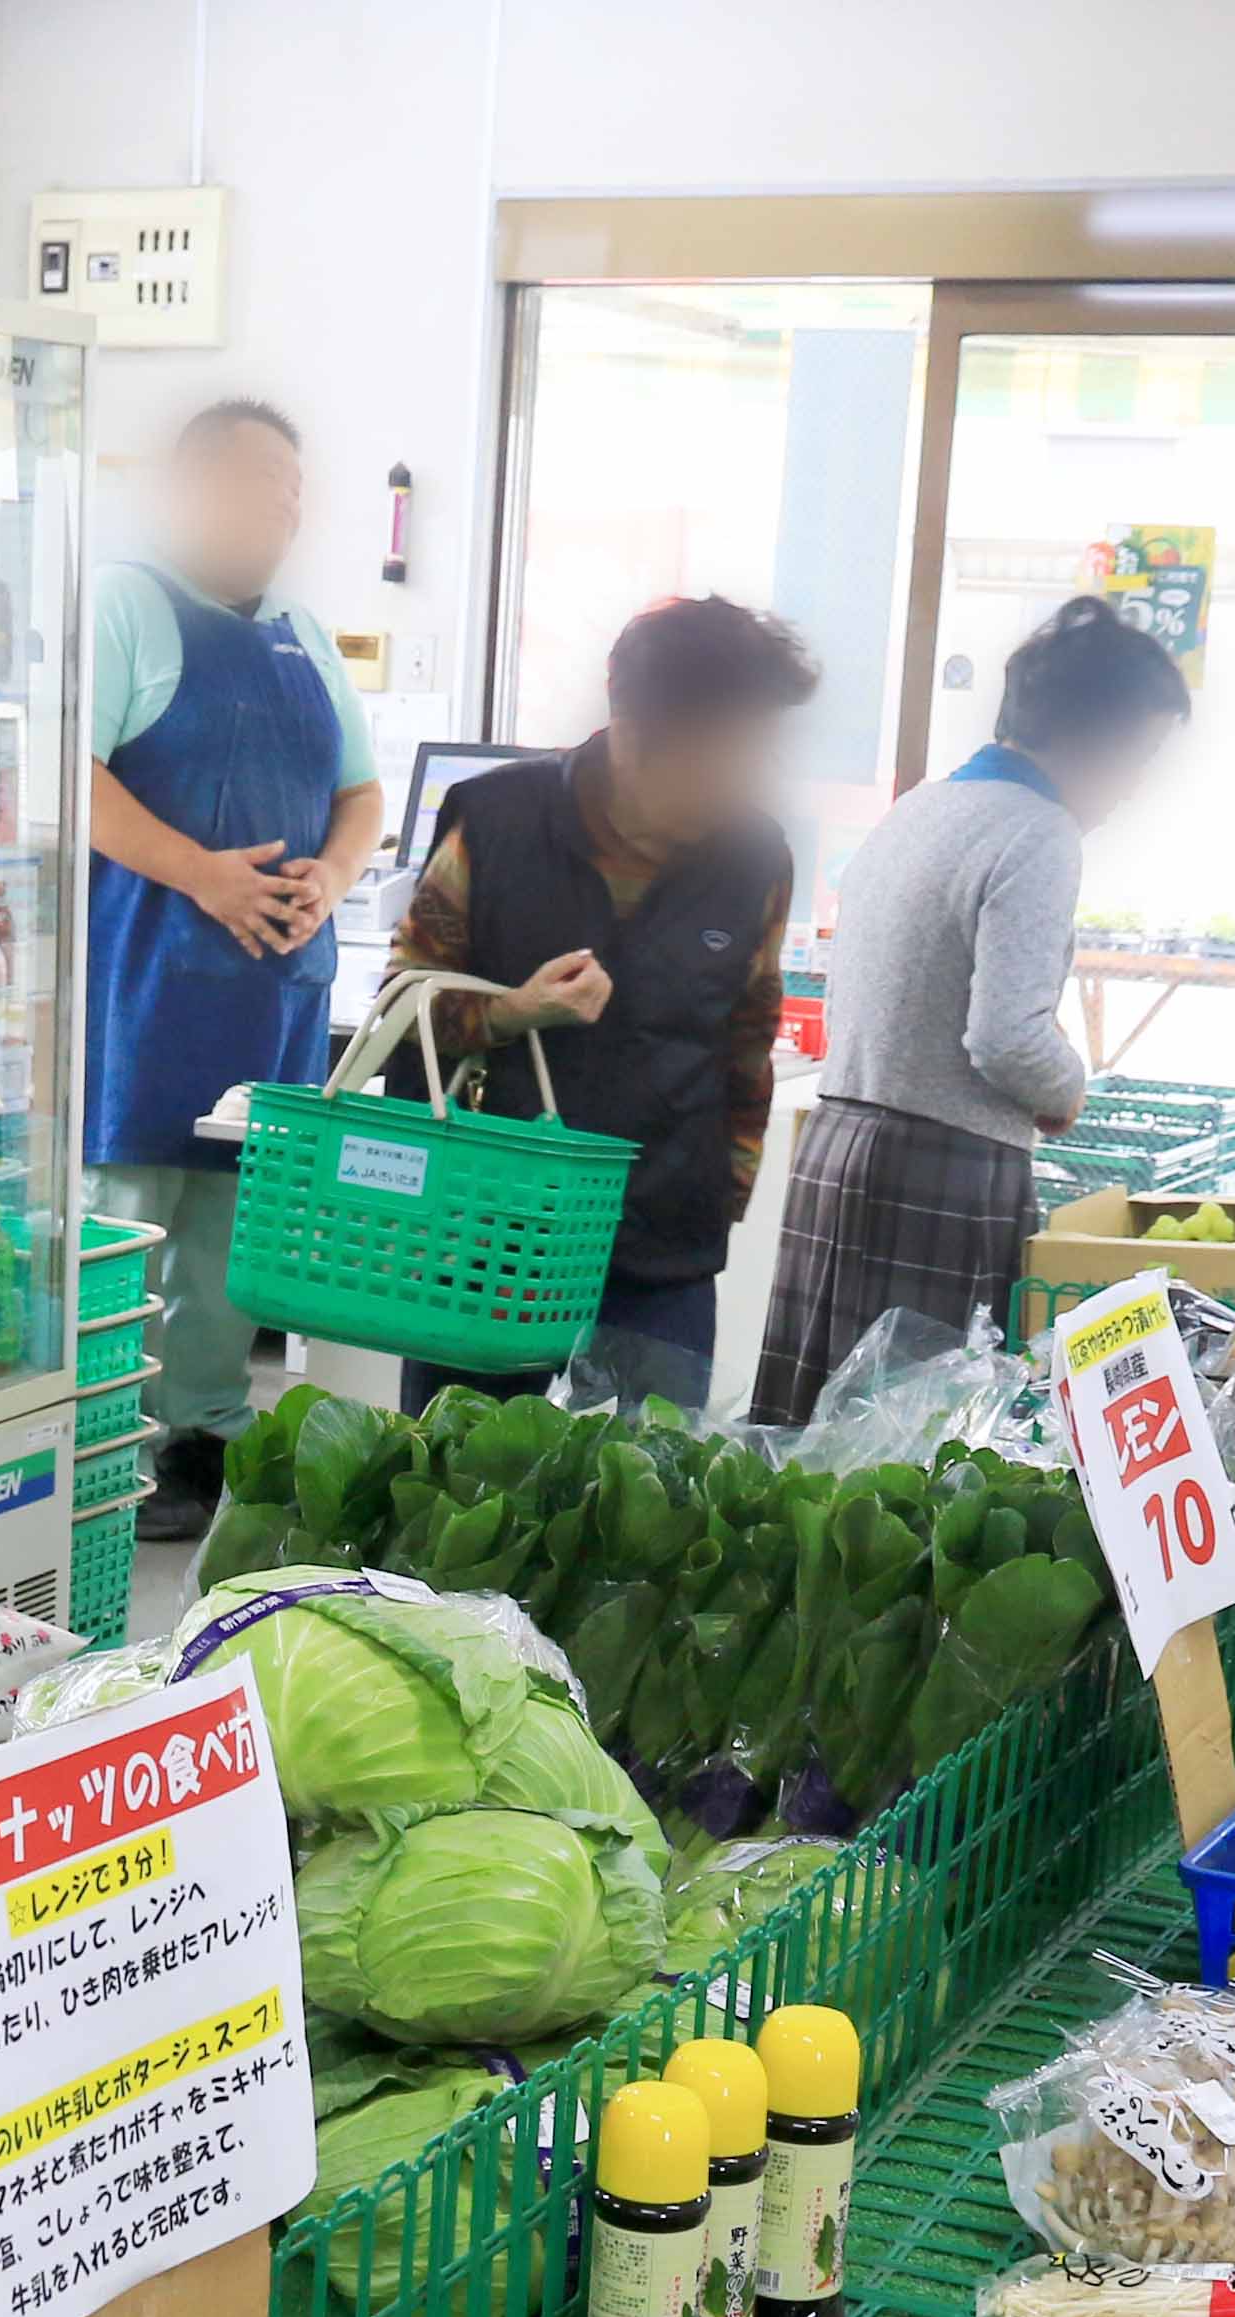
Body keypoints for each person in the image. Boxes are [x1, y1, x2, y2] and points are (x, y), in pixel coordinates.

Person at [749, 593, 1188, 1425]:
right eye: (1143, 757)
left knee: (810, 1439)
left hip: (842, 1146)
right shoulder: (1037, 831)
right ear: (1103, 740)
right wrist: (1067, 1088)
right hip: (940, 1168)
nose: (1134, 788)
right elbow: (1006, 1038)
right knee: (905, 1450)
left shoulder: (923, 807)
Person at [383, 595, 818, 1412]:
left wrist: (719, 1203)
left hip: (661, 1244)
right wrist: (512, 1012)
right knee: (450, 1494)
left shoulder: (756, 856)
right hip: (488, 1238)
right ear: (629, 726)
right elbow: (403, 1004)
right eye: (713, 755)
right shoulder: (497, 820)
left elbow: (750, 1038)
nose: (736, 781)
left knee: (649, 1506)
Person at [81, 400, 384, 1541]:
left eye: (294, 494)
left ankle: (202, 1436)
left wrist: (337, 880)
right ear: (188, 486)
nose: (281, 511)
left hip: (274, 991)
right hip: (145, 982)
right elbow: (71, 772)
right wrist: (201, 874)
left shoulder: (304, 629)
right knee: (130, 1219)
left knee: (239, 1225)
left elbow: (360, 790)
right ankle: (111, 1446)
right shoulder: (126, 602)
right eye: (258, 484)